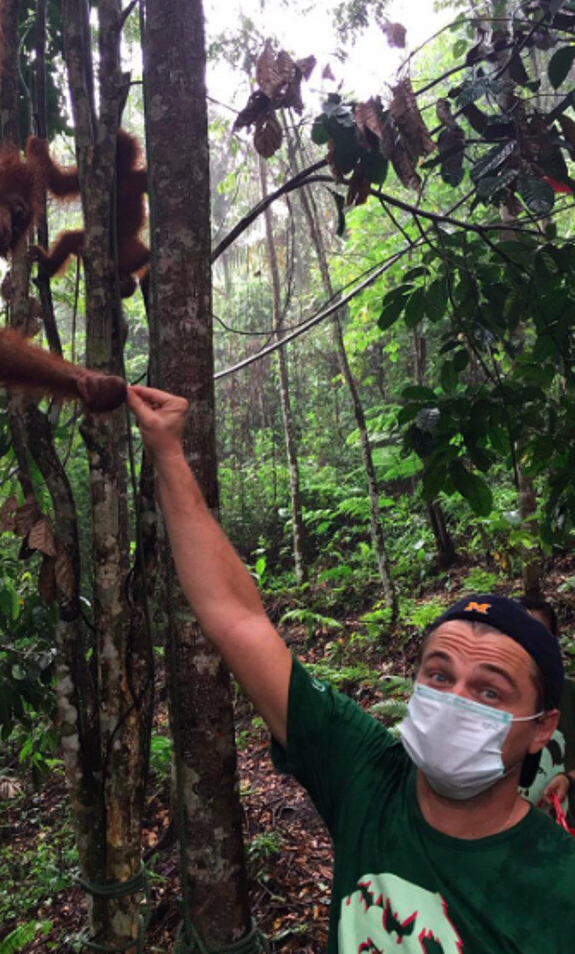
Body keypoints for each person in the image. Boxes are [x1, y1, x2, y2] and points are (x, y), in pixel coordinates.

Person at [126, 384, 575, 953]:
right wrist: (167, 450)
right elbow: (236, 617)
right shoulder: (367, 777)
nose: (456, 698)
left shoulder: (560, 889)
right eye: (439, 675)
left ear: (542, 725)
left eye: (490, 691)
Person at [520, 595, 575, 818]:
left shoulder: (570, 694)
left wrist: (568, 778)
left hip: (561, 833)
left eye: (537, 635)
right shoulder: (487, 699)